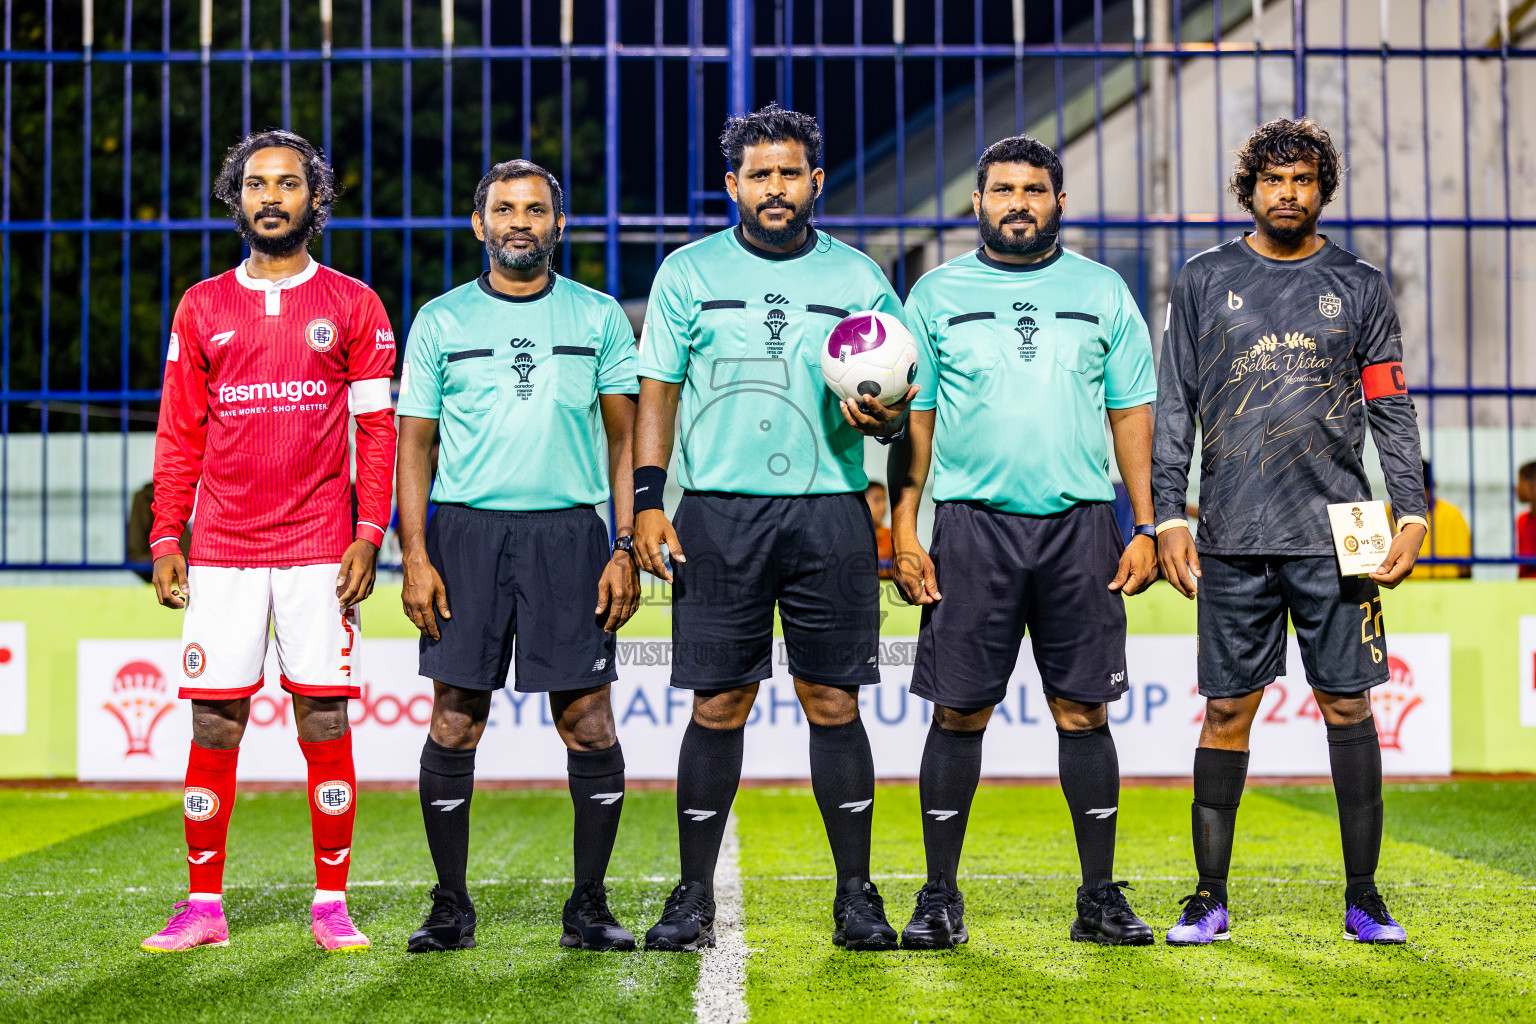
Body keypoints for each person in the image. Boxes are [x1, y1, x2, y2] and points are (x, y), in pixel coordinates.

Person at [632, 103, 913, 953]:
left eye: (791, 173)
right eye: (761, 175)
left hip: (830, 512)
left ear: (816, 181)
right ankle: (691, 896)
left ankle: (856, 898)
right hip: (718, 512)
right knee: (719, 705)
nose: (777, 188)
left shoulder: (860, 279)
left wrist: (885, 425)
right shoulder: (687, 273)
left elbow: (897, 398)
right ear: (733, 186)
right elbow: (658, 394)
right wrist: (649, 498)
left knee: (833, 700)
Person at [1154, 118, 1429, 946]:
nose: (1288, 193)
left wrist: (1409, 511)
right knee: (1228, 710)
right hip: (1233, 528)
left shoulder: (1360, 284)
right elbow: (1175, 407)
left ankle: (1365, 898)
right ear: (1250, 189)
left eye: (1303, 180)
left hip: (1345, 530)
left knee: (1349, 706)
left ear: (1322, 189)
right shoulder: (1203, 279)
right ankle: (1208, 898)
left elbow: (1390, 405)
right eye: (1273, 180)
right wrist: (1169, 511)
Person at [889, 135, 1160, 950]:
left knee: (1084, 710)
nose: (1018, 202)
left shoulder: (1103, 290)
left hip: (1081, 526)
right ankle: (939, 897)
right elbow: (917, 423)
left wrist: (1145, 524)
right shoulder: (933, 296)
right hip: (972, 529)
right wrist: (906, 530)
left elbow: (1132, 414)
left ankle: (1099, 898)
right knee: (959, 709)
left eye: (1034, 189)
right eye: (1002, 189)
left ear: (1059, 201)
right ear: (976, 202)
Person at [141, 129, 398, 953]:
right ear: (236, 198)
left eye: (290, 184)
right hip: (219, 547)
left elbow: (379, 432)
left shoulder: (354, 304)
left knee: (322, 717)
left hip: (322, 545)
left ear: (315, 199)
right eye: (257, 184)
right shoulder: (202, 305)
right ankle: (203, 907)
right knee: (214, 724)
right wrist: (165, 536)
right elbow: (178, 434)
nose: (273, 197)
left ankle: (331, 903)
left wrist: (369, 531)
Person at [396, 160, 642, 953]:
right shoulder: (439, 320)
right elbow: (415, 446)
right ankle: (449, 905)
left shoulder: (600, 316)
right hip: (465, 536)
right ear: (480, 224)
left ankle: (589, 906)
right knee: (455, 720)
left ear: (558, 226)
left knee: (589, 722)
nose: (521, 222)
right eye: (505, 209)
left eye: (536, 210)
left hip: (570, 537)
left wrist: (625, 544)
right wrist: (417, 554)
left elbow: (623, 440)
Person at [1404, 460, 1472, 579]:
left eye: (1423, 488)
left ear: (1433, 486)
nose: (1416, 496)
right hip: (1403, 587)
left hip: (1446, 587)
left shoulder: (1453, 515)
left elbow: (1465, 568)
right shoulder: (1387, 514)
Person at [865, 481, 896, 579]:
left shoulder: (892, 536)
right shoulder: (855, 538)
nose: (883, 506)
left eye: (884, 499)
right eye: (877, 500)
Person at [1518, 461, 1536, 578]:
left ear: (1531, 486)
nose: (1517, 488)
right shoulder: (1522, 520)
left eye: (1520, 482)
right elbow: (1522, 567)